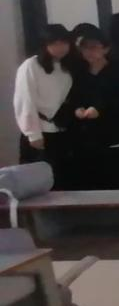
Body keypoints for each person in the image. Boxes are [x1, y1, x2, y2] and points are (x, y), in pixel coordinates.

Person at [64, 26, 119, 190]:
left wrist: (100, 109)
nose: (89, 52)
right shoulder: (79, 72)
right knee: (91, 181)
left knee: (115, 180)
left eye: (94, 47)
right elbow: (73, 98)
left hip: (114, 134)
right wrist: (77, 109)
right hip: (86, 136)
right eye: (85, 48)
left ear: (105, 48)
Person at [14, 24, 76, 189]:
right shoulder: (31, 65)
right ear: (44, 44)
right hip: (40, 131)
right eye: (54, 43)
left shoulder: (66, 67)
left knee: (62, 181)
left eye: (64, 43)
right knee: (37, 183)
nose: (60, 47)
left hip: (61, 131)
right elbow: (24, 100)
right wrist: (33, 134)